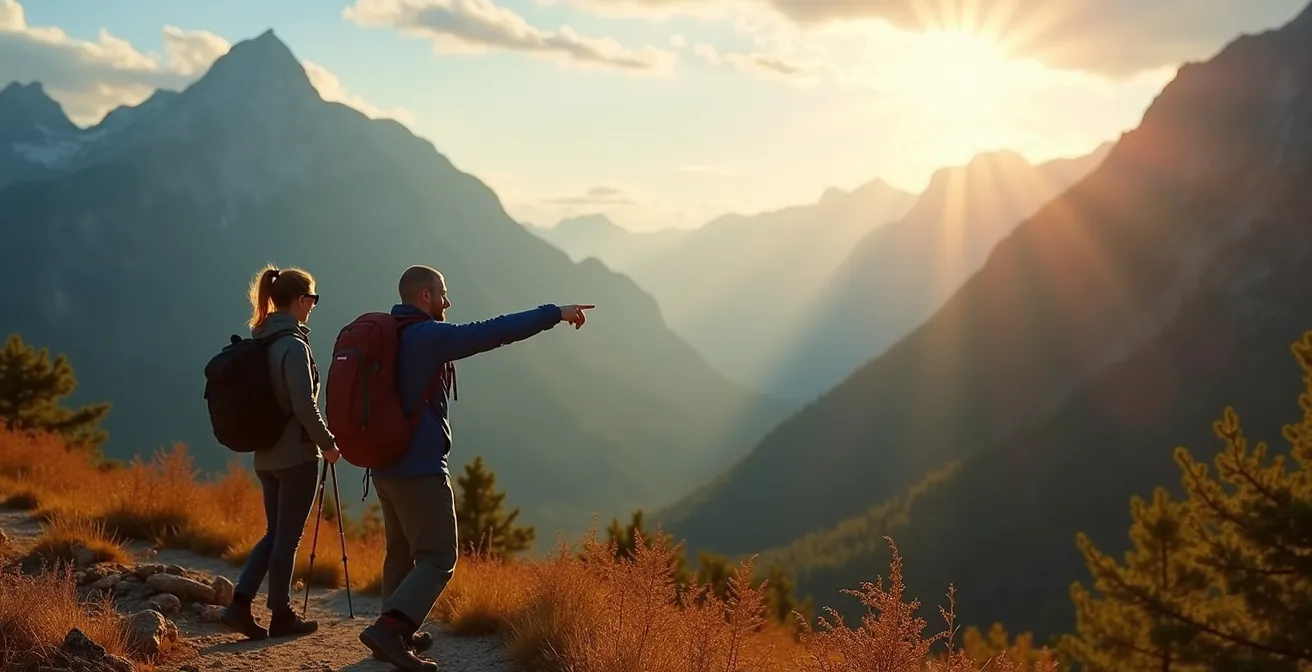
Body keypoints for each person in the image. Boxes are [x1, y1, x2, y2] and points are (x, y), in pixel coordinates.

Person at [357, 264, 593, 671]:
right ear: (425, 296)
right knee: (438, 556)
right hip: (419, 469)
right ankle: (391, 630)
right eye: (443, 294)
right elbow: (492, 331)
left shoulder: (389, 334)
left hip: (384, 466)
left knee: (400, 553)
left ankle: (394, 631)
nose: (448, 302)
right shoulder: (427, 336)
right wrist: (554, 313)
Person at [220, 264, 341, 640]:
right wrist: (328, 444)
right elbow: (304, 406)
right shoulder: (293, 346)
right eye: (313, 300)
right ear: (302, 300)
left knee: (275, 534)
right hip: (297, 457)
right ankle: (281, 614)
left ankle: (240, 605)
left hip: (266, 456)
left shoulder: (263, 341)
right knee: (287, 538)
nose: (313, 307)